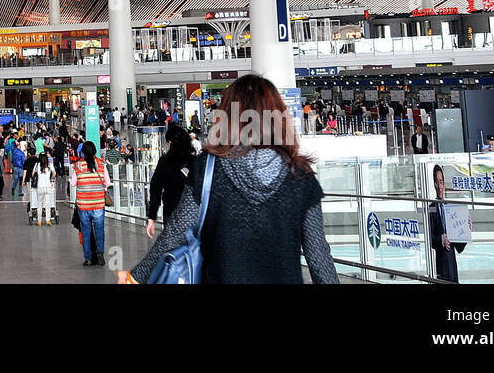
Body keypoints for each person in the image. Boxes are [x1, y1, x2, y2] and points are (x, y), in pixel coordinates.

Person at [120, 74, 339, 284]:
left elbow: (175, 233)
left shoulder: (208, 170)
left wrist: (136, 277)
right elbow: (318, 256)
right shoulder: (300, 177)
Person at [146, 124, 193, 239]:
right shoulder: (194, 161)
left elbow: (155, 189)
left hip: (171, 211)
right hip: (192, 213)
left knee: (172, 249)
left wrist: (152, 217)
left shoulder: (165, 162)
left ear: (170, 142)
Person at [72, 141, 109, 266]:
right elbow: (107, 182)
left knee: (86, 230)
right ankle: (100, 253)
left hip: (83, 204)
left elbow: (72, 183)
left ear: (83, 152)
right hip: (98, 203)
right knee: (99, 229)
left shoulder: (77, 165)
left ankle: (88, 257)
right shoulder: (101, 164)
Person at [428, 165, 465, 282]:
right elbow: (429, 238)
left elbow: (459, 246)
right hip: (440, 261)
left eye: (441, 182)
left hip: (451, 262)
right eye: (437, 182)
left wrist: (465, 229)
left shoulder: (451, 209)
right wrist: (441, 239)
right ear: (433, 184)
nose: (439, 187)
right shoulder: (431, 209)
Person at [33, 152, 56, 225]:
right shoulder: (50, 165)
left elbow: (33, 174)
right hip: (48, 186)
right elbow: (54, 173)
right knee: (47, 204)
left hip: (40, 187)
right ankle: (48, 220)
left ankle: (39, 221)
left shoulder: (37, 165)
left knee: (39, 204)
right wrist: (50, 178)